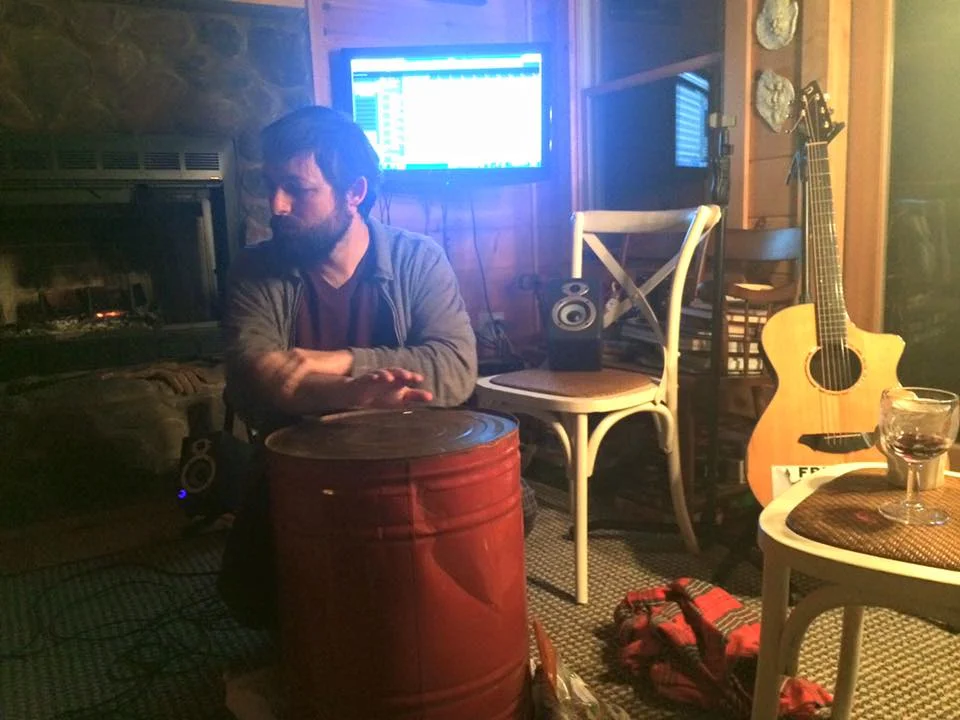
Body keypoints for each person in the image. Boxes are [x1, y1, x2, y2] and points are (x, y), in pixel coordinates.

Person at [217, 105, 535, 630]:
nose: (276, 205)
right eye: (271, 186)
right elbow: (260, 376)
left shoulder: (419, 258)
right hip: (304, 470)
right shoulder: (255, 268)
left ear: (354, 192)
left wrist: (341, 361)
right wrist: (353, 395)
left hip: (414, 462)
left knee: (507, 512)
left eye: (298, 189)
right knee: (250, 597)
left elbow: (456, 367)